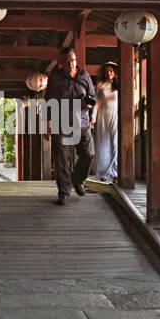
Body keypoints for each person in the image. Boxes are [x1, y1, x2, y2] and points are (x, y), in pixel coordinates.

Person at [43, 45, 96, 205]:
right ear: (61, 63)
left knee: (88, 154)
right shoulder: (55, 77)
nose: (70, 64)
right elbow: (48, 102)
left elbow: (92, 96)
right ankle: (64, 192)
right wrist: (47, 124)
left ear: (76, 60)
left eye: (72, 61)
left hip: (82, 122)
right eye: (66, 62)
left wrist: (89, 106)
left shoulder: (84, 75)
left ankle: (77, 178)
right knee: (61, 159)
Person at [92, 62, 119, 182]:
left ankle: (116, 172)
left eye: (111, 71)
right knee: (103, 144)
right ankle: (103, 173)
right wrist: (93, 117)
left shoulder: (120, 86)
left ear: (115, 73)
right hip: (103, 115)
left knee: (115, 143)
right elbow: (97, 102)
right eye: (106, 71)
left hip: (116, 115)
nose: (108, 73)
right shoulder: (100, 85)